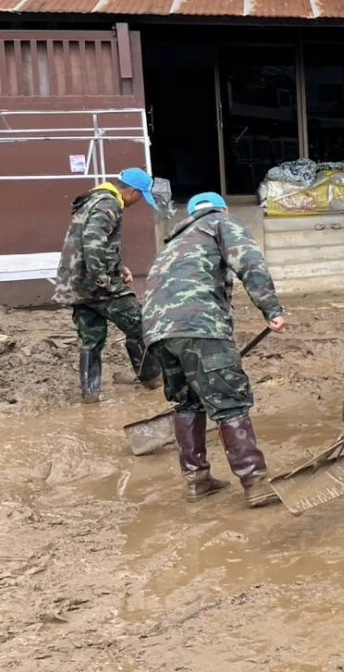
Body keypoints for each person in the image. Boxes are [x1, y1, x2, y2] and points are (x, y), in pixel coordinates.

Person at [142, 192, 288, 507]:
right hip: (200, 324)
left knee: (187, 403)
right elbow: (250, 262)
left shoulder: (171, 245)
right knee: (230, 400)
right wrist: (271, 309)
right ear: (221, 208)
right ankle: (255, 482)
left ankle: (197, 480)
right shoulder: (219, 223)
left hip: (157, 332)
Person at [53, 166, 162, 403]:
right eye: (141, 196)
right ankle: (152, 379)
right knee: (140, 327)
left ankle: (90, 394)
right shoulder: (108, 204)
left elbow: (98, 243)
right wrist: (103, 278)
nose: (139, 201)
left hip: (77, 286)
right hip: (97, 286)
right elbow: (93, 241)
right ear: (131, 192)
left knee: (91, 340)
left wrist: (119, 267)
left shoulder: (93, 200)